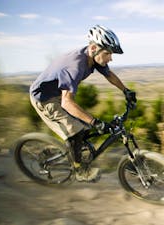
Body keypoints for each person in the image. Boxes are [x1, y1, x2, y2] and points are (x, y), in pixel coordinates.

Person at [29, 25, 136, 182]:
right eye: (108, 53)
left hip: (58, 95)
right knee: (76, 131)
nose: (110, 58)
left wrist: (126, 91)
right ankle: (79, 170)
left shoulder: (93, 57)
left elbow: (109, 75)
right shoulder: (75, 66)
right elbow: (67, 103)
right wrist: (95, 122)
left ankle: (65, 150)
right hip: (45, 99)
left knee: (85, 128)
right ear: (93, 48)